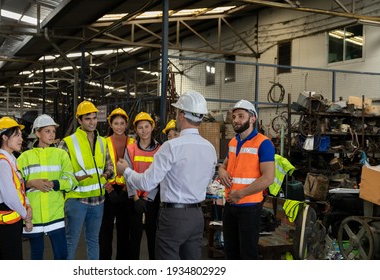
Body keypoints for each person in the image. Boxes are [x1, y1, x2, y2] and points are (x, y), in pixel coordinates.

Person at [117, 90, 217, 260]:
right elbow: (208, 181)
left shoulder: (171, 147)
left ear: (182, 115)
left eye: (177, 112)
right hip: (197, 216)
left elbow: (147, 183)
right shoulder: (210, 148)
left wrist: (126, 170)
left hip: (174, 217)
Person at [217, 99, 275, 260]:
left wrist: (241, 194)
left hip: (250, 207)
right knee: (231, 252)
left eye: (241, 116)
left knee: (248, 254)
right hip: (230, 204)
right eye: (234, 117)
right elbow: (225, 165)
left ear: (252, 118)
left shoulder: (264, 143)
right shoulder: (233, 141)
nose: (236, 120)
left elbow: (268, 178)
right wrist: (221, 171)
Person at [58, 100, 113, 260]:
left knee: (93, 241)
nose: (92, 122)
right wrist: (74, 179)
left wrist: (105, 175)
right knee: (71, 241)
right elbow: (61, 173)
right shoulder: (67, 142)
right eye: (88, 118)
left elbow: (110, 165)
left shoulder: (103, 142)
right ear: (80, 120)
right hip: (77, 201)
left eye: (94, 118)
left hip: (98, 201)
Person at [17, 114, 78, 260]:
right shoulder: (24, 157)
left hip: (55, 215)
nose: (52, 135)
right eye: (47, 131)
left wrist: (53, 184)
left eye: (53, 131)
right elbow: (15, 185)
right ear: (37, 133)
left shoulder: (61, 155)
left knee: (61, 255)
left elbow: (71, 181)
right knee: (37, 256)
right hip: (34, 216)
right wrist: (30, 183)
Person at [0, 116, 32, 260]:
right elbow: (9, 197)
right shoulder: (1, 164)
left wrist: (28, 206)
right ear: (5, 138)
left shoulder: (11, 160)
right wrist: (26, 216)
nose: (21, 139)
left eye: (21, 135)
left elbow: (19, 188)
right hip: (6, 223)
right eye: (17, 135)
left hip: (12, 220)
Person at [124, 112, 161, 260]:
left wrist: (148, 197)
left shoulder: (160, 149)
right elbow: (128, 173)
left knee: (153, 236)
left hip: (152, 199)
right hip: (134, 199)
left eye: (147, 126)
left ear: (152, 127)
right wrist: (135, 197)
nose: (144, 130)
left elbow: (159, 176)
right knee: (134, 236)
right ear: (136, 130)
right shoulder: (131, 149)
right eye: (140, 127)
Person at [99, 108, 134, 260]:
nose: (119, 126)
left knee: (124, 231)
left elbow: (135, 167)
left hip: (126, 191)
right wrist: (109, 189)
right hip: (109, 191)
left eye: (122, 123)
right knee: (105, 231)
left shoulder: (133, 143)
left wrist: (127, 188)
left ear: (126, 124)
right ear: (111, 125)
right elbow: (99, 167)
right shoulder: (103, 143)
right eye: (116, 123)